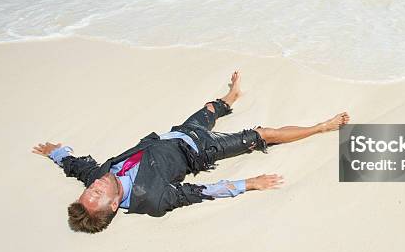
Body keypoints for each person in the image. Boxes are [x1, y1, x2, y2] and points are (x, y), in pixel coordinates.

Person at [32, 71, 350, 234]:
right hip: (201, 149)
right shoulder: (153, 199)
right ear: (115, 204)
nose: (96, 185)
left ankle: (231, 96)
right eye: (98, 193)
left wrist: (56, 153)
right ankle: (320, 127)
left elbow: (77, 166)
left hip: (179, 132)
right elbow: (200, 192)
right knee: (261, 134)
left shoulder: (100, 177)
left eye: (91, 188)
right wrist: (249, 183)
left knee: (211, 108)